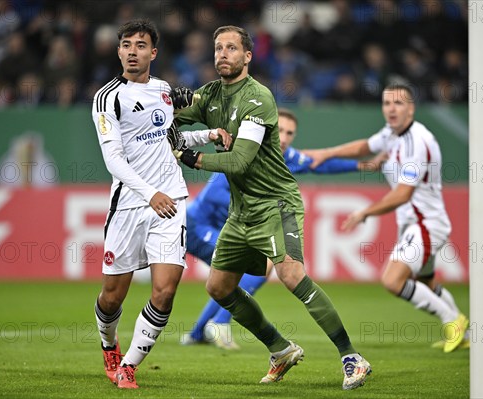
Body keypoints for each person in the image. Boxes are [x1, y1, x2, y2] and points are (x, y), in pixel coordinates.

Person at [172, 25, 371, 390]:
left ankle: (351, 356)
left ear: (247, 57)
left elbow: (240, 162)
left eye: (231, 48)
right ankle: (280, 349)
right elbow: (165, 123)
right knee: (218, 286)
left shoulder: (257, 98)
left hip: (275, 204)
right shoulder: (209, 95)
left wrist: (193, 157)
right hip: (241, 211)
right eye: (217, 48)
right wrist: (166, 101)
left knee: (291, 274)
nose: (222, 54)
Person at [91, 19, 230, 389]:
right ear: (119, 50)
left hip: (171, 202)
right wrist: (149, 193)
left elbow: (171, 138)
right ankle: (109, 345)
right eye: (126, 44)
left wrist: (209, 134)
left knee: (166, 290)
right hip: (130, 206)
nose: (132, 51)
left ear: (153, 52)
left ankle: (129, 366)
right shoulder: (108, 97)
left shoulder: (164, 90)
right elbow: (114, 160)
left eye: (140, 45)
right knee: (111, 296)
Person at [181, 108, 379, 350]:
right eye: (280, 130)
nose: (284, 137)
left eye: (290, 133)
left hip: (223, 227)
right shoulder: (246, 151)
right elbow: (213, 196)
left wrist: (364, 166)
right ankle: (219, 323)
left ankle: (198, 333)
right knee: (253, 268)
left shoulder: (286, 157)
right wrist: (258, 204)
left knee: (228, 278)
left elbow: (320, 165)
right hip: (198, 225)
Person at [302, 83, 469, 353]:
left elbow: (403, 194)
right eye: (387, 103)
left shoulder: (418, 141)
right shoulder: (393, 134)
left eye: (398, 103)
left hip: (425, 223)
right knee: (426, 283)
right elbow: (365, 146)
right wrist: (327, 153)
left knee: (393, 280)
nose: (391, 109)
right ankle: (467, 333)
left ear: (411, 108)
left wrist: (365, 211)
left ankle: (452, 320)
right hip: (414, 224)